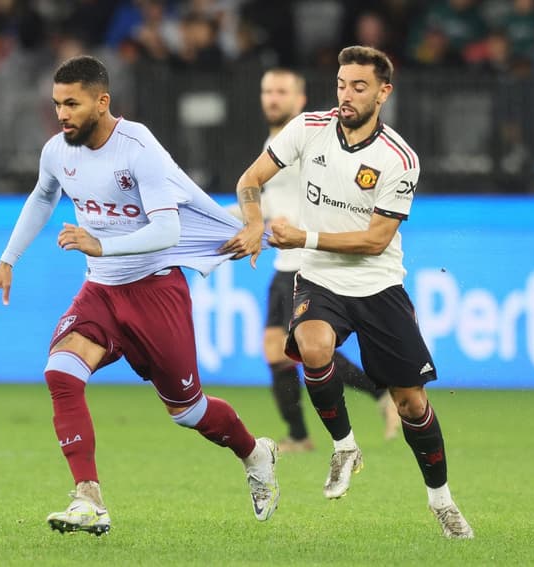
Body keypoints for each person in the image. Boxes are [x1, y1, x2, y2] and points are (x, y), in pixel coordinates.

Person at [0, 55, 279, 535]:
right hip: (100, 290)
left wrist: (102, 242)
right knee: (60, 371)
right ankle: (88, 498)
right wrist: (7, 260)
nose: (62, 115)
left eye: (72, 104)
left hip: (155, 292)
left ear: (102, 102)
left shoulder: (140, 149)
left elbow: (168, 228)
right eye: (58, 104)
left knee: (189, 412)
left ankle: (255, 453)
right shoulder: (58, 151)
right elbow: (43, 196)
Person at [221, 45, 473, 539]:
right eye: (341, 84)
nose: (346, 95)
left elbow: (376, 240)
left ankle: (441, 501)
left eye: (359, 87)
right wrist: (254, 224)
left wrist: (304, 237)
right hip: (318, 277)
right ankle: (344, 447)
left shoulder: (399, 158)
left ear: (383, 92)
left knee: (411, 405)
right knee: (311, 347)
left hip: (378, 285)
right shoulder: (307, 129)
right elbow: (250, 180)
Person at [254, 67, 400, 453]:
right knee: (278, 348)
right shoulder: (276, 143)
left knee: (301, 348)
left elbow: (334, 199)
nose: (272, 98)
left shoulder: (314, 140)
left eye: (281, 91)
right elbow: (271, 202)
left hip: (307, 261)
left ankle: (379, 392)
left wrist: (297, 226)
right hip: (283, 262)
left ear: (299, 100)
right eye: (267, 91)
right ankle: (302, 435)